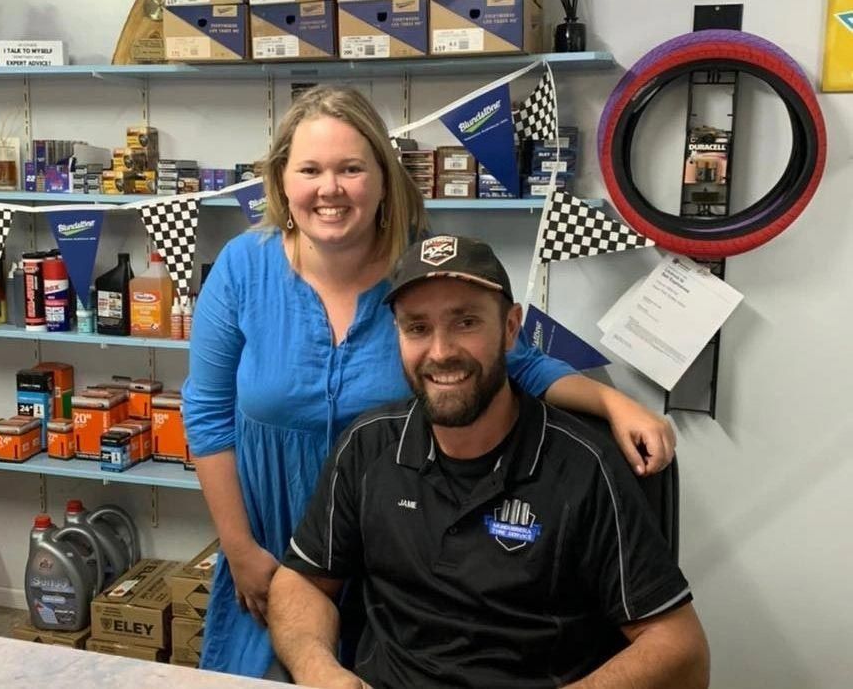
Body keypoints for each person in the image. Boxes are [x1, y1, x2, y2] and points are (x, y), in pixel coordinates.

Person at [182, 86, 677, 678]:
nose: (330, 188)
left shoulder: (420, 271)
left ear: (384, 179)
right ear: (282, 181)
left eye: (351, 168)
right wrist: (239, 550)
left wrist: (613, 402)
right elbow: (207, 414)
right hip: (270, 535)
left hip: (396, 552)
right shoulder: (242, 266)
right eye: (310, 169)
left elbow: (511, 362)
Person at [269, 235, 710, 689]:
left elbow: (680, 647)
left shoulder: (585, 467)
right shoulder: (366, 446)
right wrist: (319, 670)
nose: (440, 352)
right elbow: (301, 581)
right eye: (417, 328)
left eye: (466, 322)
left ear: (511, 329)